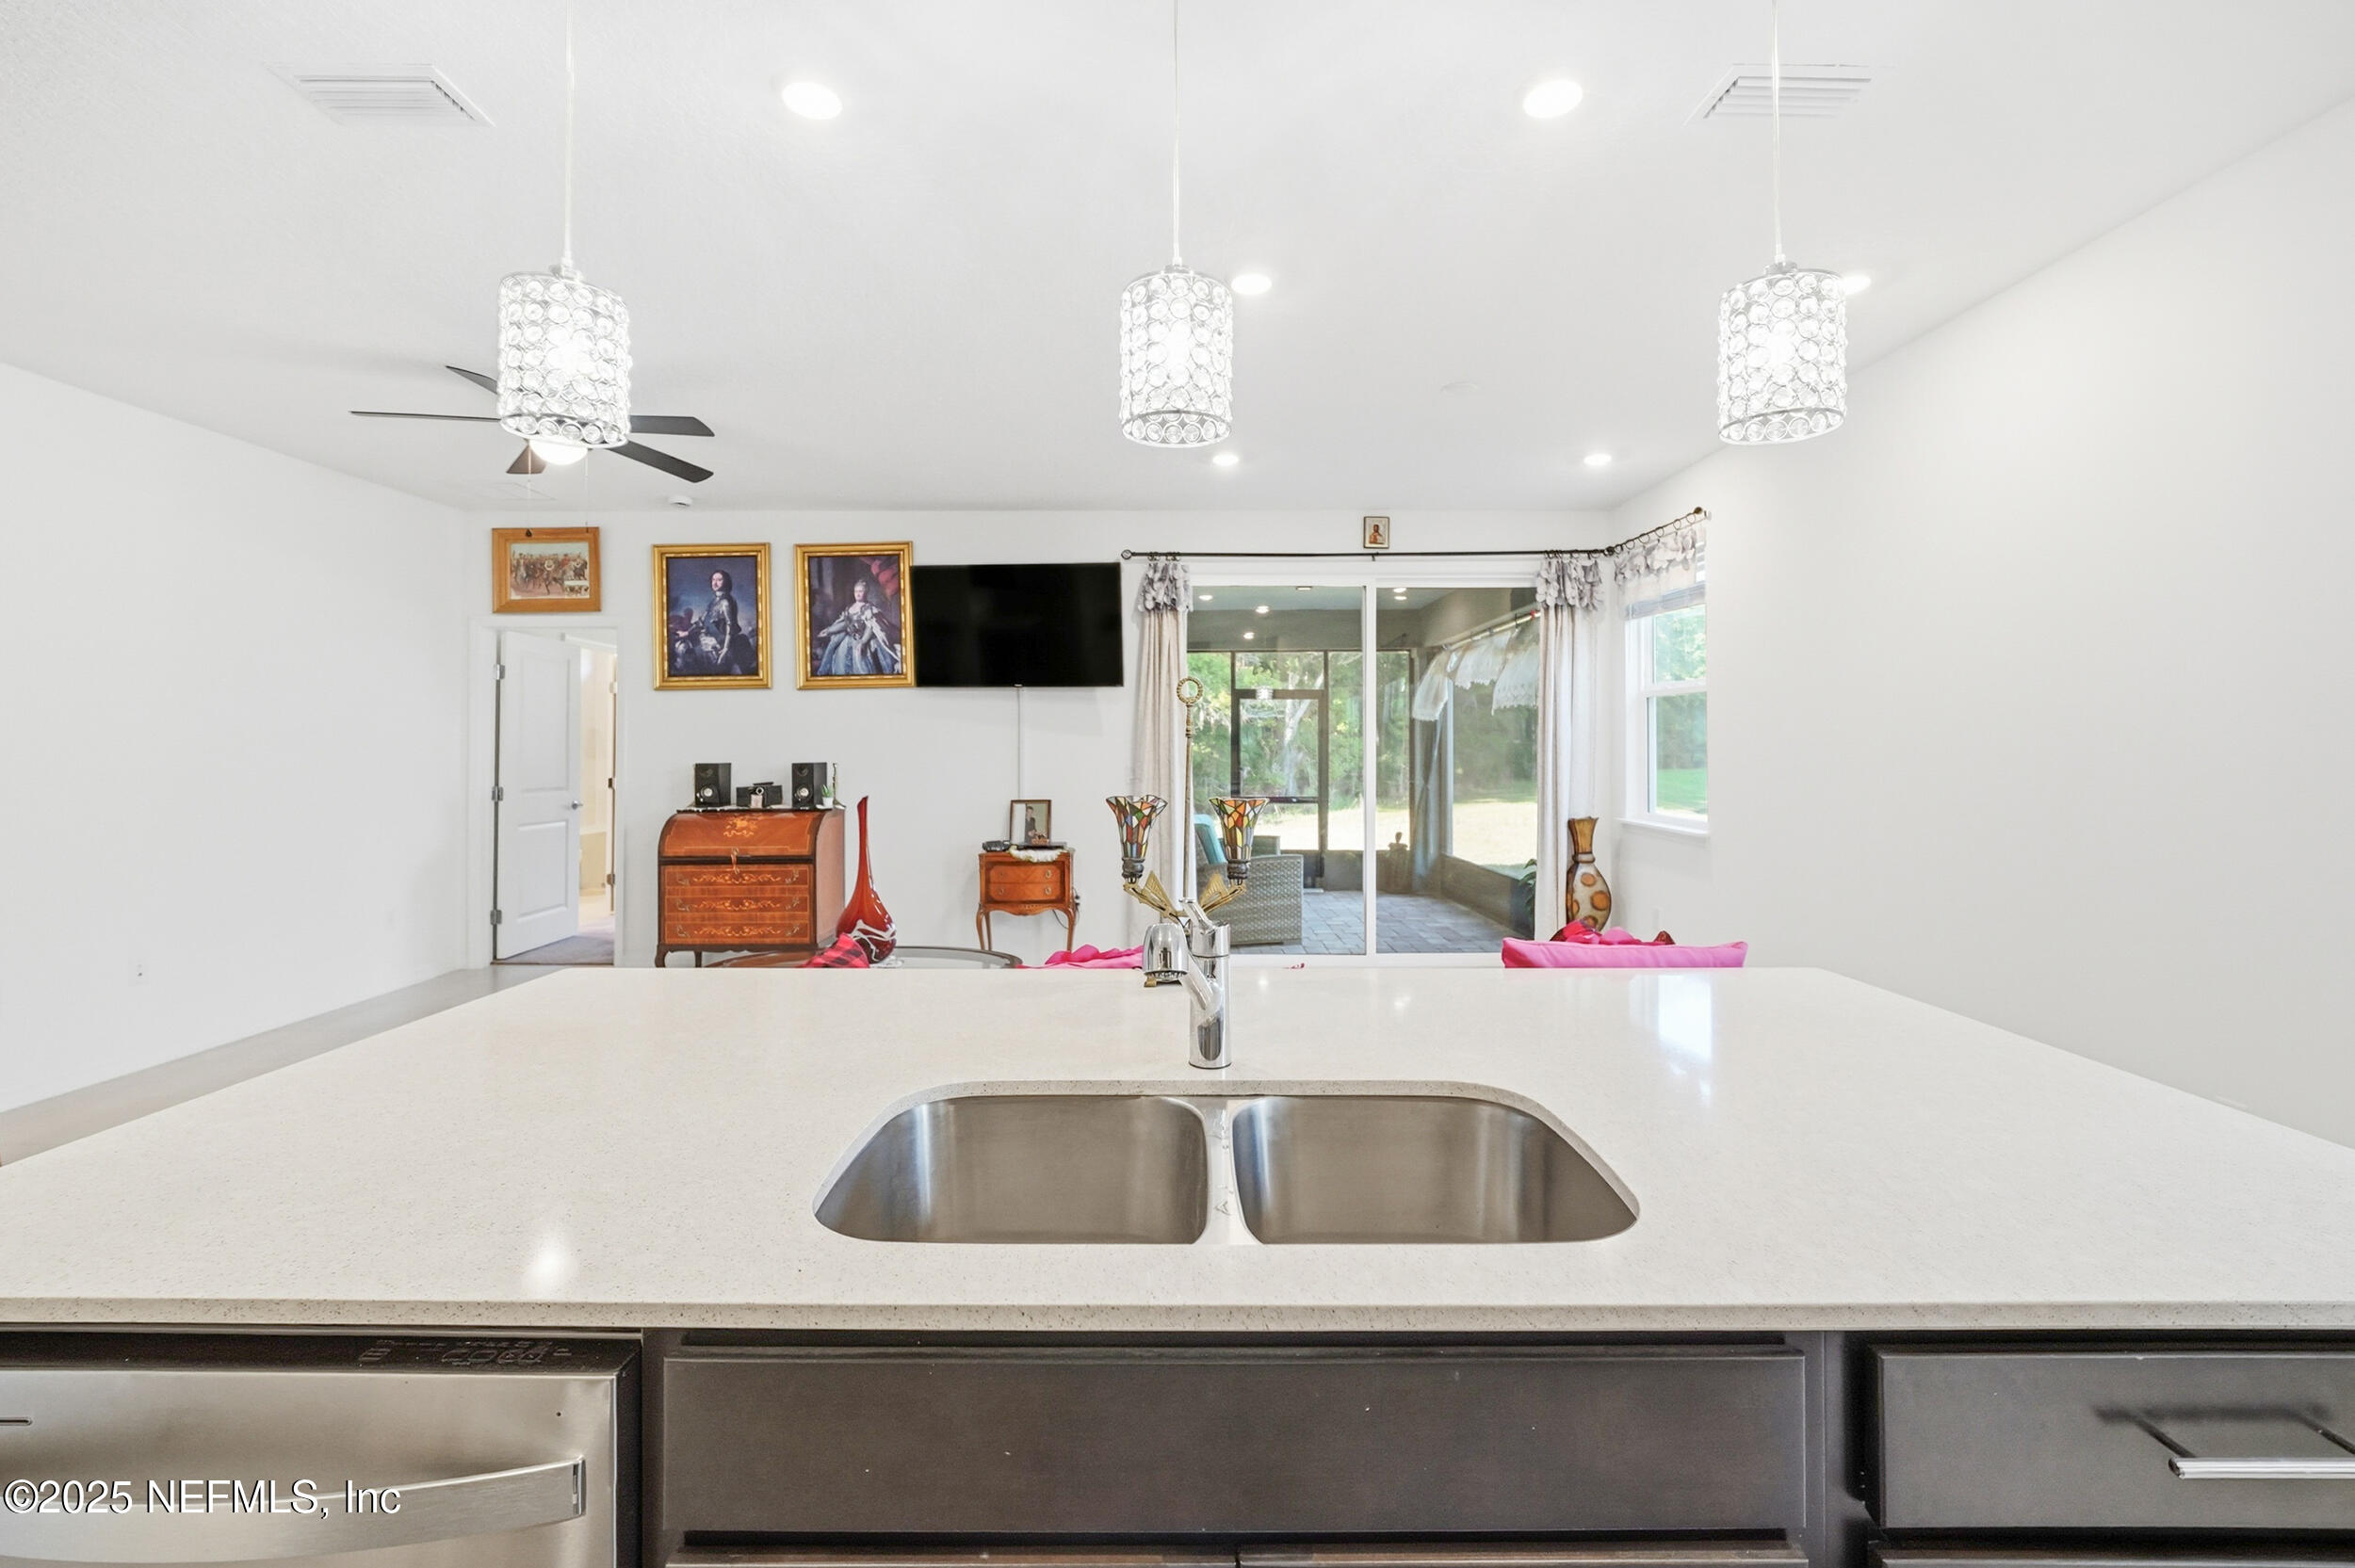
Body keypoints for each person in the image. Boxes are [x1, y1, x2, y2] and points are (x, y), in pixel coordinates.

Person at [812, 576, 901, 678]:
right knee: (840, 655)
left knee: (860, 656)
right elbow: (845, 623)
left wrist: (863, 641)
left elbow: (871, 626)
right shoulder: (850, 607)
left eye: (861, 591)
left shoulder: (869, 608)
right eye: (856, 591)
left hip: (865, 639)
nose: (858, 594)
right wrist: (829, 630)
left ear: (866, 592)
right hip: (849, 638)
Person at [676, 569, 755, 676]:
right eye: (713, 579)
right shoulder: (713, 602)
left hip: (722, 644)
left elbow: (730, 626)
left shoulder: (725, 602)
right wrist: (687, 633)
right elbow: (701, 622)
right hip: (711, 641)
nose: (715, 583)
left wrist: (725, 649)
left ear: (725, 582)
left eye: (719, 580)